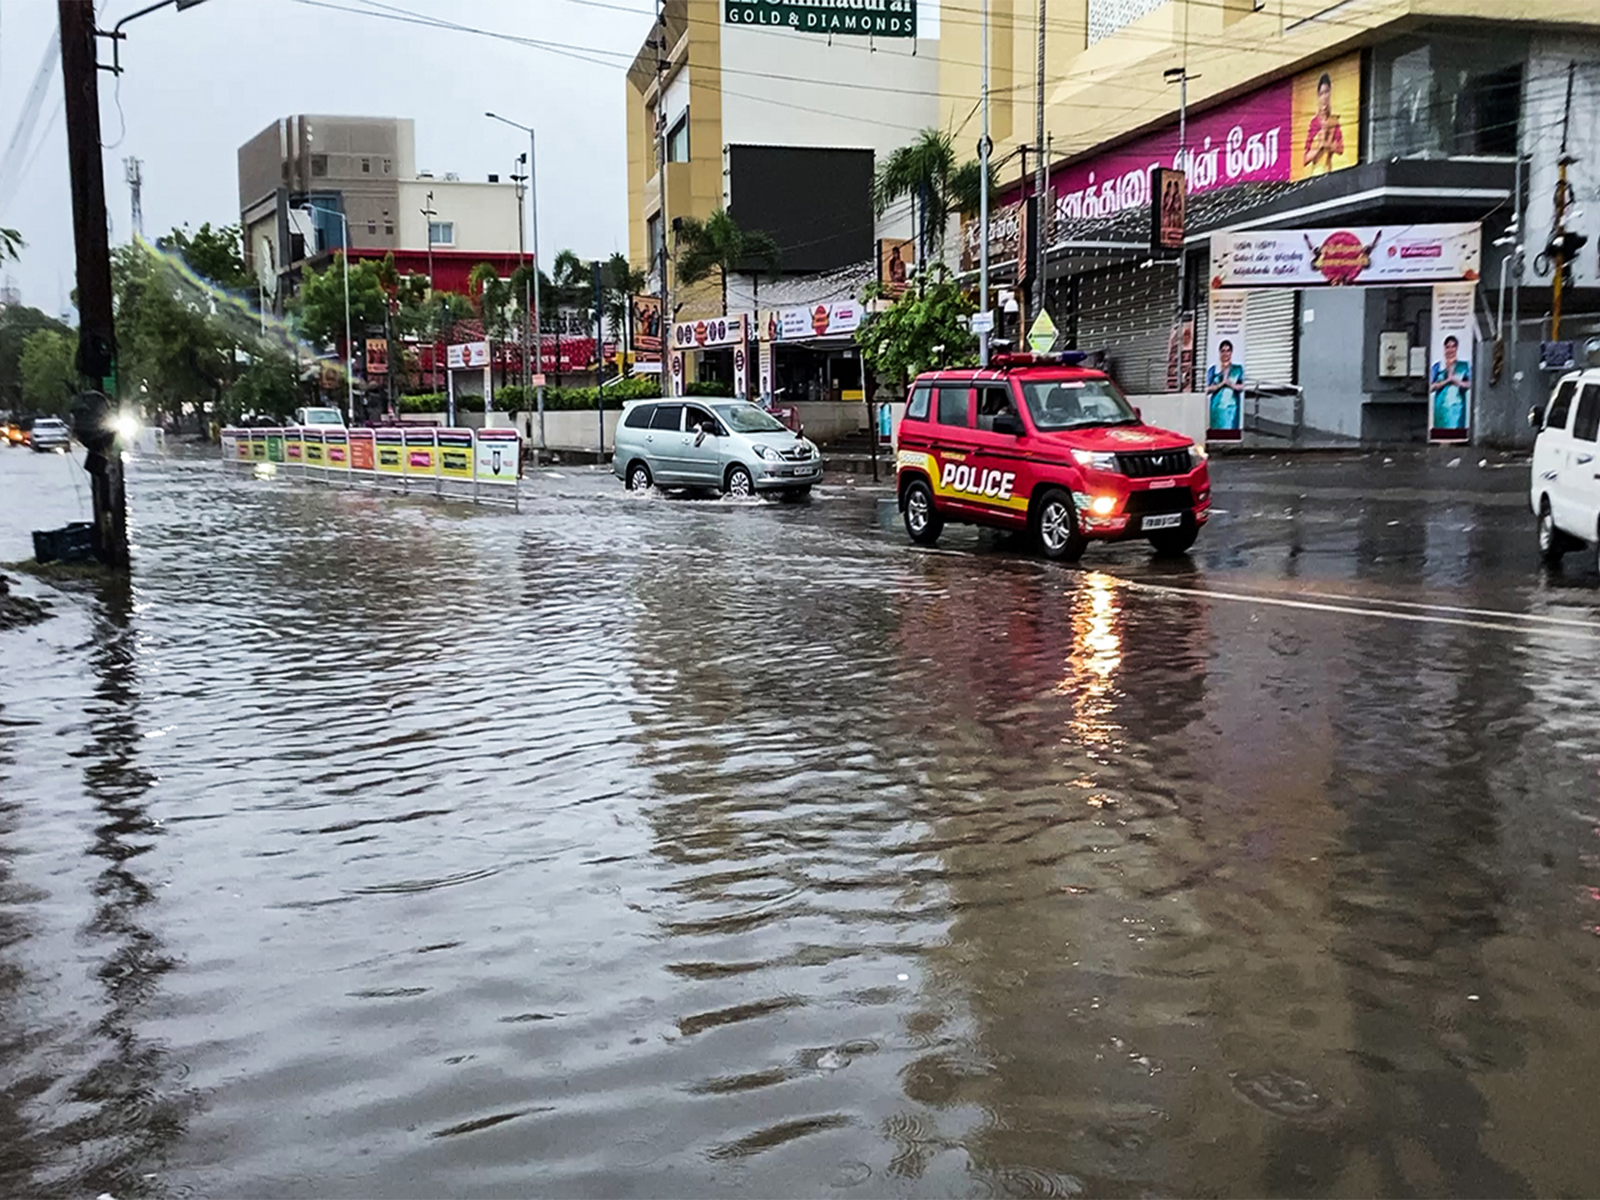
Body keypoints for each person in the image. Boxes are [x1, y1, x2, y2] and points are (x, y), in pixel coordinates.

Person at [1302, 72, 1345, 175]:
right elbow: (1305, 159)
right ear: (1318, 96)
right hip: (1315, 172)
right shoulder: (1314, 123)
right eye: (1321, 94)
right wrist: (1319, 146)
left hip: (1328, 170)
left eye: (1326, 92)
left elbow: (1340, 149)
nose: (1324, 97)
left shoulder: (1334, 121)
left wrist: (1327, 144)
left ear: (1330, 93)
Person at [1430, 335, 1471, 430]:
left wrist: (1456, 382)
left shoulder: (1464, 366)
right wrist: (1446, 381)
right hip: (1440, 409)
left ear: (1457, 348)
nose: (1450, 350)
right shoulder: (1437, 366)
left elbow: (1470, 384)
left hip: (1457, 409)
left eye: (1453, 347)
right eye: (1448, 347)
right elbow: (1431, 387)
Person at [1206, 339, 1244, 431]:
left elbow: (1242, 387)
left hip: (1232, 409)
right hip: (1216, 409)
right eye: (1223, 351)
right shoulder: (1213, 369)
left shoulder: (1238, 369)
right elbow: (1206, 389)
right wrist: (1220, 384)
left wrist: (1230, 384)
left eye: (1228, 351)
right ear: (1219, 352)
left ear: (1231, 352)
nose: (1225, 353)